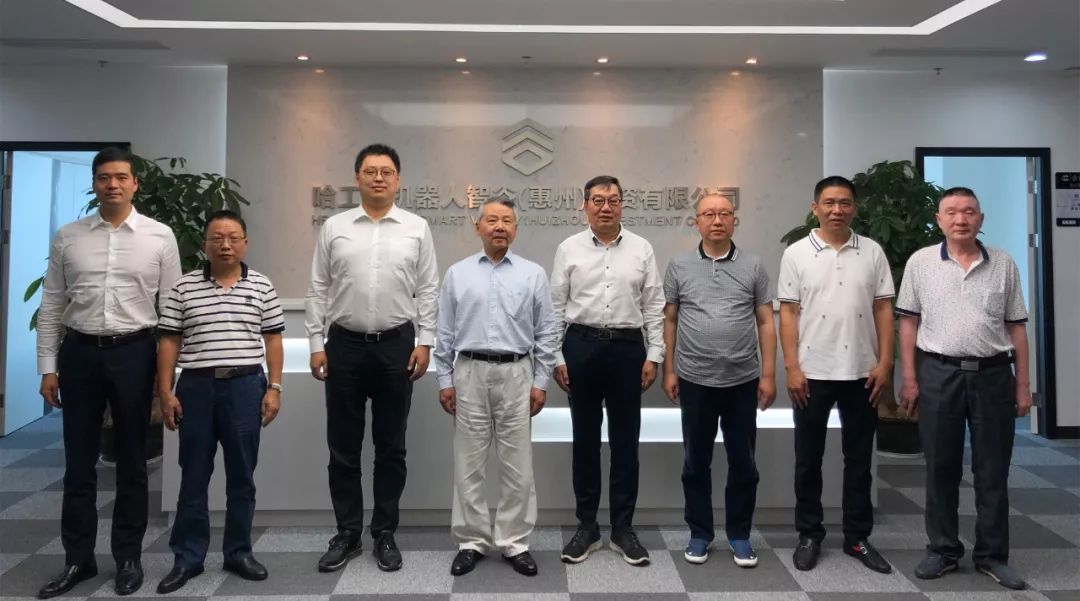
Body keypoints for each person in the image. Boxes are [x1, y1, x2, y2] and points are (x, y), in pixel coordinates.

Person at [35, 146, 181, 598]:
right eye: (103, 177)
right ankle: (78, 560)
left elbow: (171, 311)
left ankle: (129, 558)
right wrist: (47, 368)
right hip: (79, 353)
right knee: (78, 463)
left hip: (134, 352)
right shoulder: (68, 236)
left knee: (133, 462)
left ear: (135, 183)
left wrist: (166, 378)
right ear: (94, 183)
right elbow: (52, 303)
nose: (112, 184)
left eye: (120, 177)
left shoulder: (159, 236)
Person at [305, 143, 439, 573]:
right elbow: (318, 287)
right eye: (370, 171)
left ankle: (384, 532)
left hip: (397, 345)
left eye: (386, 172)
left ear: (398, 180)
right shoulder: (335, 227)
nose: (378, 178)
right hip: (343, 345)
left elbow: (428, 289)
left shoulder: (416, 228)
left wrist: (425, 341)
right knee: (343, 447)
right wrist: (315, 342)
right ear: (357, 178)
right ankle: (347, 533)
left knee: (391, 446)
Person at [897, 187, 1030, 591]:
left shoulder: (1003, 263)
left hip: (993, 375)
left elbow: (1017, 328)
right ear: (938, 220)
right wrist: (909, 377)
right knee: (941, 467)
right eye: (952, 212)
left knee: (993, 469)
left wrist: (1023, 386)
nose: (961, 219)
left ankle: (992, 555)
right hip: (939, 373)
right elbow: (908, 323)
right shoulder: (921, 262)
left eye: (969, 211)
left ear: (980, 219)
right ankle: (943, 550)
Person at [154, 211, 285, 593]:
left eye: (233, 238)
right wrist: (165, 391)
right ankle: (188, 557)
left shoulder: (262, 285)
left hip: (245, 387)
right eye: (217, 238)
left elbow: (273, 339)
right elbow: (169, 340)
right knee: (193, 475)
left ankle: (238, 552)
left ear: (245, 243)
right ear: (205, 243)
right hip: (196, 387)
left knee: (242, 475)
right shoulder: (183, 287)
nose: (225, 245)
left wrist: (274, 387)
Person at [434, 198, 558, 578]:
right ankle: (471, 541)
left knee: (518, 466)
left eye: (507, 220)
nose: (499, 226)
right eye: (492, 220)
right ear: (478, 227)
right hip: (468, 372)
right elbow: (444, 331)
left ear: (515, 229)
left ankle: (514, 541)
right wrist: (444, 379)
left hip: (517, 373)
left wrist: (540, 381)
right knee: (468, 464)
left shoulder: (533, 274)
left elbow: (547, 332)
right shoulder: (457, 274)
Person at [777, 175, 894, 574]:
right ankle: (809, 535)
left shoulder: (872, 251)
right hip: (812, 372)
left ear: (855, 209)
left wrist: (885, 363)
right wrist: (792, 367)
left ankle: (857, 537)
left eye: (844, 203)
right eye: (829, 203)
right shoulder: (796, 253)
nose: (837, 210)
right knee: (807, 460)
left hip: (863, 372)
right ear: (815, 208)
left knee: (859, 461)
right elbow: (788, 312)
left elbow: (883, 308)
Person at [551, 175, 664, 566]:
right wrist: (556, 357)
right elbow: (555, 307)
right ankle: (587, 527)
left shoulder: (642, 248)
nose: (605, 207)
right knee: (584, 442)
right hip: (580, 347)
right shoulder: (568, 248)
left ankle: (622, 528)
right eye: (597, 200)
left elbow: (654, 305)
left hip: (628, 350)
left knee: (625, 443)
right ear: (585, 205)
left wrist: (655, 355)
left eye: (613, 200)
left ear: (622, 205)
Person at [661, 194, 776, 568]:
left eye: (724, 213)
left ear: (734, 221)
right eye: (708, 214)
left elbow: (765, 321)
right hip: (695, 379)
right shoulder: (679, 265)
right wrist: (669, 369)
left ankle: (740, 534)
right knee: (696, 461)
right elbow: (670, 319)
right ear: (696, 221)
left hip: (742, 380)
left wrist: (769, 374)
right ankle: (700, 533)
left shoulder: (753, 265)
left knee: (743, 462)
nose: (717, 220)